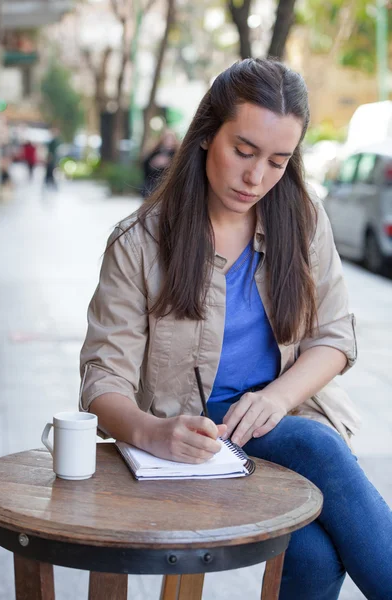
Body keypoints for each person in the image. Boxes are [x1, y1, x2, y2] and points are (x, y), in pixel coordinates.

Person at [79, 58, 392, 599]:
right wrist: (154, 432)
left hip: (281, 420)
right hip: (193, 436)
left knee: (314, 549)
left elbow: (335, 337)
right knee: (317, 465)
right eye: (243, 151)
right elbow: (102, 378)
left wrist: (276, 397)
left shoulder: (303, 220)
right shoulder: (139, 242)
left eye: (278, 161)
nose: (256, 177)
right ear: (205, 137)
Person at [142, 128, 178, 197]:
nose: (168, 141)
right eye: (167, 138)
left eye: (171, 139)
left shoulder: (177, 153)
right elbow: (145, 167)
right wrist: (153, 163)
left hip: (169, 184)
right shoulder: (155, 151)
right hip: (153, 184)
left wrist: (169, 163)